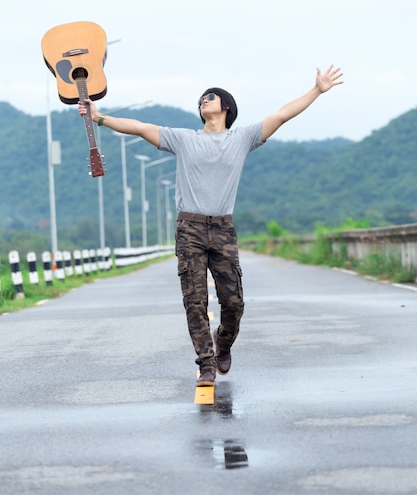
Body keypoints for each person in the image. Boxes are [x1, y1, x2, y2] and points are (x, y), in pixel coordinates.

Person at [78, 65, 343, 386]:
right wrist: (100, 117)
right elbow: (138, 126)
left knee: (234, 302)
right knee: (195, 301)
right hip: (189, 228)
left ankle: (224, 343)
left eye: (211, 97)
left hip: (223, 230)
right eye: (201, 98)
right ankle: (205, 363)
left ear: (226, 107)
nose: (204, 100)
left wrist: (316, 89)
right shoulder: (183, 139)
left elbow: (283, 113)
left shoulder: (242, 138)